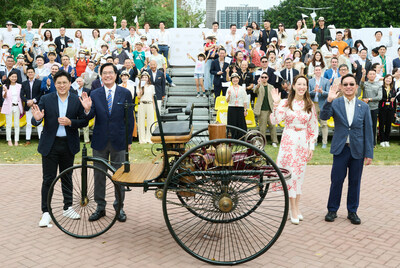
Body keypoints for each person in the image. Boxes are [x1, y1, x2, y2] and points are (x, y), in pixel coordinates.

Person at [31, 70, 87, 227]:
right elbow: (36, 117)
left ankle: (67, 207)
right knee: (48, 179)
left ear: (70, 84)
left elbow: (84, 121)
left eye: (65, 82)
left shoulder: (76, 100)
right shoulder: (46, 98)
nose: (62, 85)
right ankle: (46, 212)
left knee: (67, 177)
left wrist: (71, 122)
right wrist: (37, 120)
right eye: (59, 83)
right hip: (50, 144)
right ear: (54, 84)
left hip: (68, 144)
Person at [80, 63, 133, 223]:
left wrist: (128, 140)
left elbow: (129, 119)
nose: (108, 75)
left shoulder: (125, 93)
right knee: (99, 176)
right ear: (101, 75)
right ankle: (100, 207)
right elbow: (89, 117)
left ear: (116, 75)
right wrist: (88, 110)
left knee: (120, 176)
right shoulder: (94, 94)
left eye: (111, 72)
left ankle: (119, 208)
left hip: (119, 141)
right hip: (100, 141)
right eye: (105, 73)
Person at [321, 74, 373, 225]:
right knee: (336, 180)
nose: (349, 87)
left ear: (357, 87)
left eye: (352, 84)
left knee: (355, 182)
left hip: (357, 150)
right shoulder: (336, 103)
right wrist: (329, 100)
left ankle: (352, 211)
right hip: (340, 149)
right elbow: (323, 116)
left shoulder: (363, 106)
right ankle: (332, 210)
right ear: (341, 87)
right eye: (346, 84)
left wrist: (369, 153)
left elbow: (368, 131)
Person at [270, 75, 318, 224]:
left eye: (304, 84)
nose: (301, 87)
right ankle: (293, 209)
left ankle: (297, 207)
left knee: (299, 175)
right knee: (291, 175)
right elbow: (274, 120)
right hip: (289, 141)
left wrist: (311, 147)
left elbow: (313, 128)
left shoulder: (310, 104)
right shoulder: (286, 103)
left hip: (302, 142)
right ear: (294, 86)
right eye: (299, 84)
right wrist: (276, 104)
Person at [253, 72, 278, 147]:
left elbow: (275, 97)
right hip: (262, 110)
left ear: (268, 78)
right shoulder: (259, 86)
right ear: (260, 78)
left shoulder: (271, 87)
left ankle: (274, 141)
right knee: (262, 128)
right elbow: (255, 91)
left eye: (265, 77)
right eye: (262, 77)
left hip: (270, 109)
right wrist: (258, 85)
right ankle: (263, 142)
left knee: (272, 126)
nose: (264, 79)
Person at [359, 69, 382, 146]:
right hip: (365, 108)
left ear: (375, 75)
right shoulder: (365, 84)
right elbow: (361, 84)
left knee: (373, 125)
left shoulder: (379, 85)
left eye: (373, 74)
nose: (372, 75)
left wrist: (369, 99)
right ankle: (363, 141)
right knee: (364, 125)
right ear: (368, 76)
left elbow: (379, 97)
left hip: (374, 108)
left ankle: (373, 143)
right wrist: (363, 75)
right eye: (370, 74)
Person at [309, 65, 330, 148]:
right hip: (313, 104)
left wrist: (322, 92)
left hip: (322, 105)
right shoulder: (310, 81)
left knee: (324, 124)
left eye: (319, 70)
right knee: (314, 124)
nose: (318, 71)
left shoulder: (326, 81)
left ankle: (324, 142)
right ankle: (315, 141)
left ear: (321, 71)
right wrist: (313, 91)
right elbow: (307, 93)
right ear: (314, 71)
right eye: (316, 70)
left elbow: (328, 93)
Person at [21, 67, 43, 144]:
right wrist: (27, 101)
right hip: (28, 106)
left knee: (39, 123)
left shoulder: (39, 82)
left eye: (31, 72)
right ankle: (28, 140)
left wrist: (33, 101)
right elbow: (21, 95)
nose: (30, 73)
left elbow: (41, 93)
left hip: (37, 105)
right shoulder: (24, 83)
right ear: (27, 74)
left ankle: (41, 139)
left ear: (34, 73)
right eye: (28, 72)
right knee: (28, 123)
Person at [1, 71, 24, 146]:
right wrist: (5, 92)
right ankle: (9, 140)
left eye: (15, 77)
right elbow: (4, 97)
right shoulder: (5, 86)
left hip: (17, 106)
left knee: (17, 124)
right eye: (12, 76)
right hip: (9, 106)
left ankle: (16, 140)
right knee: (9, 124)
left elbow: (21, 96)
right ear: (9, 77)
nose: (14, 78)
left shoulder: (19, 86)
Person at [226, 73, 248, 139]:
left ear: (238, 79)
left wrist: (245, 110)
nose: (235, 80)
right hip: (232, 107)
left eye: (236, 78)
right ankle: (233, 139)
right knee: (232, 124)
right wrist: (229, 95)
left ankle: (242, 139)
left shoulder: (242, 89)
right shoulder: (229, 89)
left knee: (241, 124)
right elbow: (227, 100)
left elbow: (245, 100)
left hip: (240, 108)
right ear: (231, 80)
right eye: (233, 78)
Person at [136, 71, 155, 144]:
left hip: (149, 103)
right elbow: (138, 96)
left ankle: (149, 138)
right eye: (143, 77)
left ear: (148, 78)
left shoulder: (152, 86)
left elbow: (153, 97)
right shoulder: (139, 86)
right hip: (142, 103)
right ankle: (142, 139)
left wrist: (154, 107)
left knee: (150, 121)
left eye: (146, 77)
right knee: (141, 121)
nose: (144, 78)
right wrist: (141, 89)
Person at [378, 74, 397, 147]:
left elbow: (394, 101)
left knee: (388, 125)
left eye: (390, 79)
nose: (388, 80)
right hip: (382, 108)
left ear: (392, 80)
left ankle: (387, 140)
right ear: (384, 79)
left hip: (390, 109)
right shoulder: (381, 87)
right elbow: (380, 98)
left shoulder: (393, 89)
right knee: (382, 125)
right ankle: (382, 140)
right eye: (387, 78)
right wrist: (388, 99)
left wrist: (394, 111)